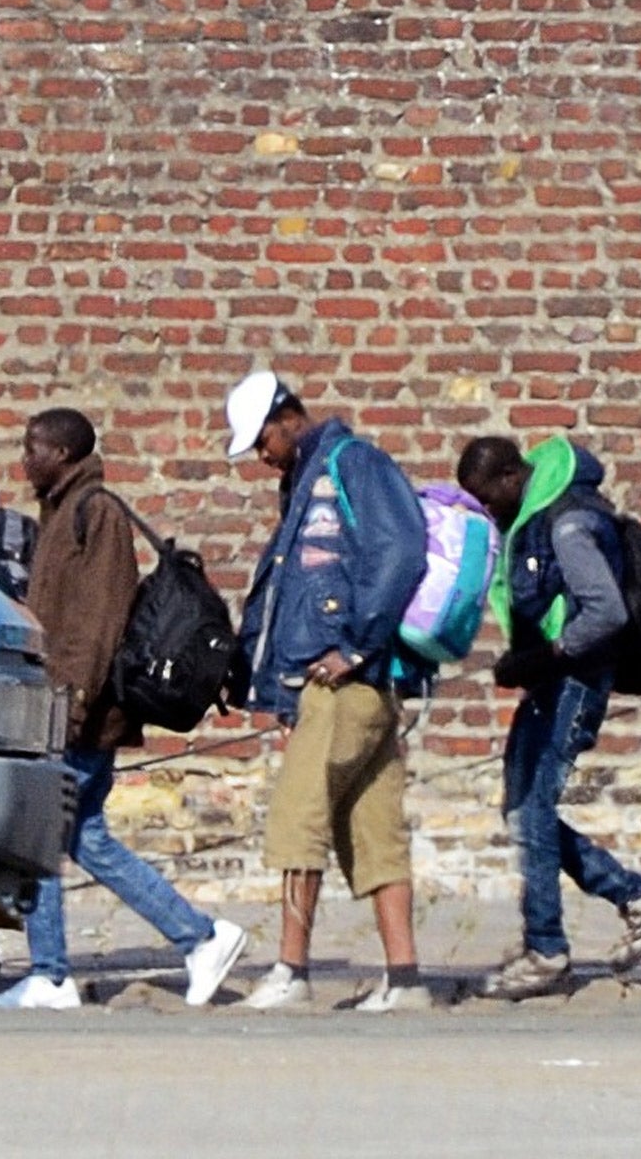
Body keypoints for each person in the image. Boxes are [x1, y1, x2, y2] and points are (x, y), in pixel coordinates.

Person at [0, 407, 248, 1010]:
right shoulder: (62, 513)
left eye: (34, 449)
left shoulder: (93, 513)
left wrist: (72, 708)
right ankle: (201, 938)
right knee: (88, 839)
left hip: (81, 713)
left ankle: (51, 974)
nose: (25, 461)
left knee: (42, 833)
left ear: (66, 455)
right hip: (69, 709)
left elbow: (97, 625)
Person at [224, 370, 431, 1012]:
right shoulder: (308, 478)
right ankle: (405, 980)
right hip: (356, 683)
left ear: (288, 416)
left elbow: (401, 550)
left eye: (262, 439)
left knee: (298, 820)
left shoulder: (352, 464)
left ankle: (291, 971)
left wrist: (357, 646)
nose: (260, 455)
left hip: (340, 682)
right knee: (374, 828)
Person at [457, 435, 641, 999]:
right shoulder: (540, 513)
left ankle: (547, 950)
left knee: (532, 805)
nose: (489, 510)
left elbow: (607, 610)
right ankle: (639, 898)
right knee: (521, 807)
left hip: (574, 680)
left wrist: (544, 657)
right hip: (550, 679)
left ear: (514, 476)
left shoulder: (567, 524)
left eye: (490, 497)